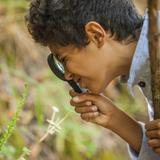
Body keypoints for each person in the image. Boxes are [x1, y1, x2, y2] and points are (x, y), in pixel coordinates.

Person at [26, 0, 160, 159]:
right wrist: (115, 119)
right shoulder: (147, 72)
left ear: (96, 35)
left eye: (64, 59)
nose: (67, 75)